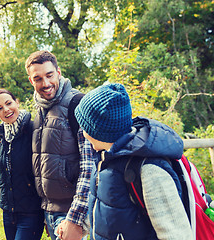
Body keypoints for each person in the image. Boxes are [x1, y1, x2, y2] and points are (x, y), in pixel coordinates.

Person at [0, 50, 95, 240]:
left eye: (49, 75)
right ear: (31, 81)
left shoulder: (78, 105)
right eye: (38, 78)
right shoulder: (39, 112)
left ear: (59, 73)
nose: (45, 84)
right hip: (51, 212)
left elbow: (89, 167)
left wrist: (74, 219)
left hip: (74, 214)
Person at [74, 83, 194, 240]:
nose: (82, 132)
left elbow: (176, 235)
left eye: (85, 126)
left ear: (99, 131)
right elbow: (107, 206)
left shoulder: (148, 169)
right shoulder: (107, 158)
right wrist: (83, 226)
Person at [0, 89, 44, 240]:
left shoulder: (34, 130)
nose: (6, 110)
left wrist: (48, 215)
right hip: (9, 215)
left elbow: (44, 176)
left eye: (8, 103)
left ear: (17, 102)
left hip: (31, 213)